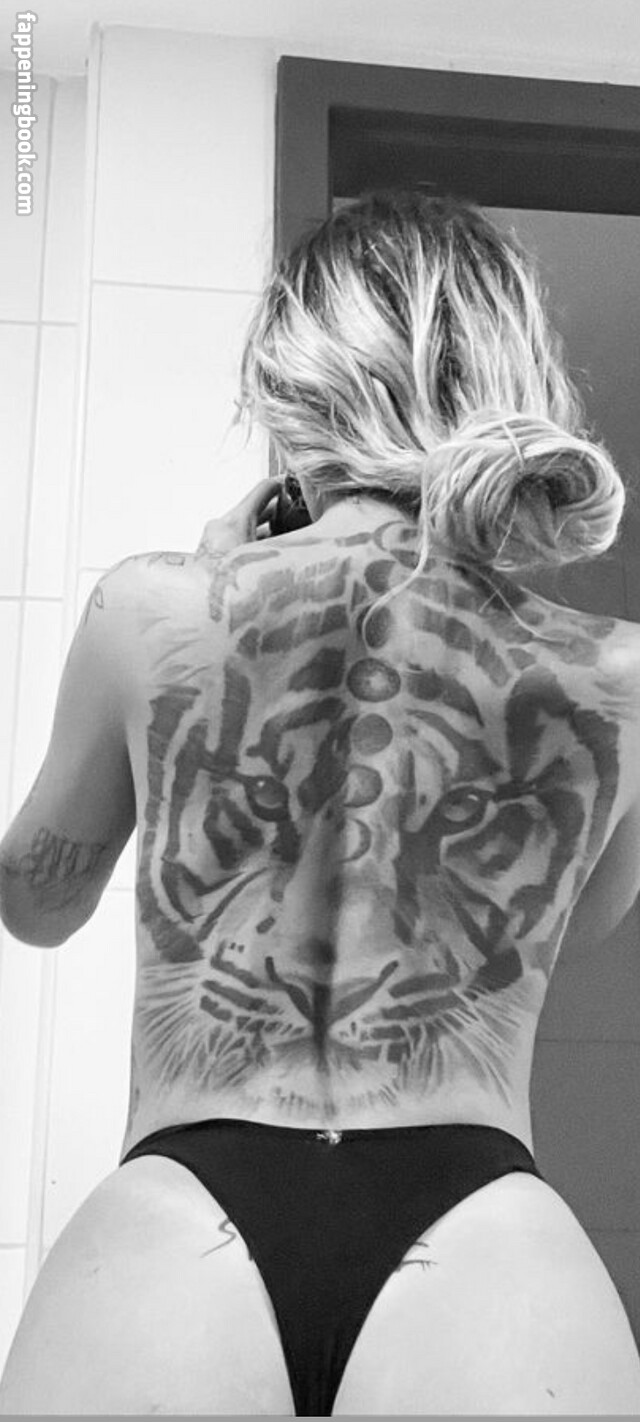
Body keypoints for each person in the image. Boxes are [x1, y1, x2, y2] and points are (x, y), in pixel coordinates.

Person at [1, 189, 640, 1416]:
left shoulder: (152, 608)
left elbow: (37, 903)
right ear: (512, 371)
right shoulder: (616, 674)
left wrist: (217, 584)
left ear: (291, 376)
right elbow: (571, 922)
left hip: (175, 1223)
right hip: (484, 1246)